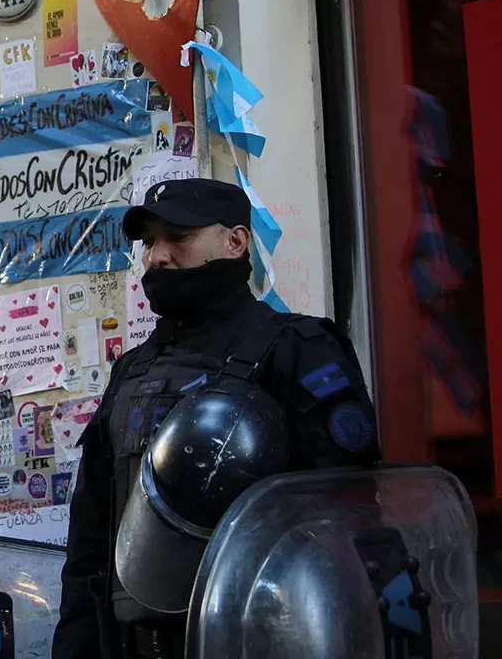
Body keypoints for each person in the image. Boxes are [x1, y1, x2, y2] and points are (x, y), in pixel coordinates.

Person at [53, 178, 381, 659]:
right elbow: (90, 546)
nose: (156, 257)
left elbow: (345, 525)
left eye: (178, 238)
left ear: (235, 241)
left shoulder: (297, 349)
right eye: (149, 243)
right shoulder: (131, 372)